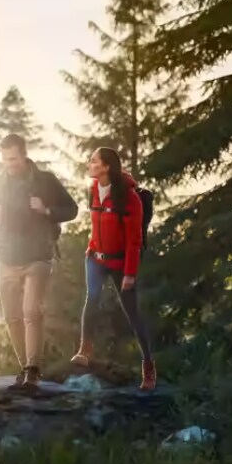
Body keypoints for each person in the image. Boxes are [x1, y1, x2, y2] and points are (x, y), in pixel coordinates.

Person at [0, 133, 77, 392]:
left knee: (31, 311)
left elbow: (72, 209)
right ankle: (25, 368)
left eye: (13, 158)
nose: (9, 164)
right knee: (12, 316)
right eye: (5, 159)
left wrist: (47, 210)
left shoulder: (45, 181)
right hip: (7, 258)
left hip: (38, 255)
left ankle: (33, 370)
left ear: (24, 154)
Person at [70, 146, 157, 391]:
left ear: (106, 166)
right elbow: (96, 225)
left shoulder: (130, 198)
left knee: (132, 313)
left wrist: (130, 272)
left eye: (94, 161)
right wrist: (92, 248)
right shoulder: (93, 190)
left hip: (120, 263)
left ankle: (148, 367)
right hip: (95, 259)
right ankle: (84, 350)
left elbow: (134, 240)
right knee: (92, 298)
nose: (89, 164)